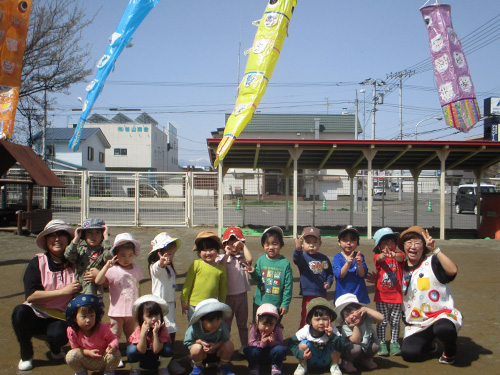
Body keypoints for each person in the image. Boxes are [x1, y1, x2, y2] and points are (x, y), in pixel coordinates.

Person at [12, 219, 81, 371]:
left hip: (60, 316)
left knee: (59, 336)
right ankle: (26, 354)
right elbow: (31, 296)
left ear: (69, 240)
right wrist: (64, 291)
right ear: (46, 240)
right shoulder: (38, 261)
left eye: (61, 235)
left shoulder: (77, 263)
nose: (56, 239)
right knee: (19, 312)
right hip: (37, 313)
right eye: (52, 236)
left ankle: (55, 347)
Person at [398, 226, 462, 365]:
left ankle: (449, 352)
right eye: (408, 243)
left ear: (424, 246)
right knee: (410, 354)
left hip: (440, 315)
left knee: (444, 329)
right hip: (417, 322)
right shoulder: (399, 268)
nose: (412, 246)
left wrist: (436, 250)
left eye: (417, 242)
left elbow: (452, 271)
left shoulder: (432, 261)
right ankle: (430, 344)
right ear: (403, 246)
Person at [95, 233, 144, 345]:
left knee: (131, 334)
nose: (126, 259)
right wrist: (106, 266)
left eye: (130, 255)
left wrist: (139, 306)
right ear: (116, 255)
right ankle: (114, 357)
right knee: (114, 334)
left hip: (131, 311)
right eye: (122, 255)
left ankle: (132, 354)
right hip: (116, 311)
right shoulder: (113, 270)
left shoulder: (136, 268)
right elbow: (98, 281)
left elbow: (138, 287)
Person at [148, 232, 185, 374]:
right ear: (159, 253)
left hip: (170, 303)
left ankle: (169, 358)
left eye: (172, 254)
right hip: (159, 305)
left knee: (171, 331)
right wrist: (161, 262)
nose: (170, 257)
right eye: (167, 253)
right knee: (161, 330)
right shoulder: (155, 266)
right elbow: (157, 268)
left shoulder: (170, 267)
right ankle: (162, 360)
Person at [217, 227, 253, 354]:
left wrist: (243, 246)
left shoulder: (242, 257)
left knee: (242, 324)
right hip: (227, 297)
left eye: (236, 243)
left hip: (241, 296)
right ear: (224, 245)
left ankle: (244, 346)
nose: (234, 247)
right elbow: (220, 268)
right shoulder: (222, 258)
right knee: (226, 324)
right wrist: (226, 253)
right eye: (230, 244)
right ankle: (225, 345)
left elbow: (250, 259)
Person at [65, 294, 121, 375]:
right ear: (74, 318)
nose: (88, 320)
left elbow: (113, 338)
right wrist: (87, 352)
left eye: (91, 316)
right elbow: (75, 348)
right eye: (84, 316)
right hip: (86, 358)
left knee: (116, 353)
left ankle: (109, 372)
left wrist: (113, 346)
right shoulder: (72, 331)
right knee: (71, 355)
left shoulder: (102, 328)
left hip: (103, 358)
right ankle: (81, 372)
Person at [246, 226, 293, 319]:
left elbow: (288, 286)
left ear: (281, 245)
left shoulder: (285, 263)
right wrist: (253, 272)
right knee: (257, 328)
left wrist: (285, 304)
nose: (271, 247)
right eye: (267, 244)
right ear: (263, 245)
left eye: (275, 244)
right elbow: (257, 279)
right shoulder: (261, 260)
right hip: (259, 302)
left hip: (277, 305)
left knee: (273, 329)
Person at [372, 227, 405, 356]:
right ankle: (381, 342)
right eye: (385, 243)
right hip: (381, 296)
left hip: (396, 296)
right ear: (379, 246)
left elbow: (401, 258)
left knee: (395, 321)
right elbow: (378, 259)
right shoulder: (378, 257)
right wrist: (383, 255)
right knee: (382, 321)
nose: (389, 246)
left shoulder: (399, 256)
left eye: (391, 242)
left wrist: (394, 255)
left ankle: (394, 342)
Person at [289, 297, 344, 375]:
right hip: (310, 358)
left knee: (336, 342)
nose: (321, 322)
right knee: (303, 344)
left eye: (325, 319)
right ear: (309, 320)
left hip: (327, 359)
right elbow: (291, 343)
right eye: (317, 319)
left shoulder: (333, 329)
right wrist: (300, 354)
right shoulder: (306, 330)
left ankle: (334, 365)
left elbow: (341, 346)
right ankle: (302, 365)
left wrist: (332, 336)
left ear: (330, 319)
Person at [181, 231, 227, 321]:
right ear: (199, 252)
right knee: (193, 330)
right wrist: (183, 300)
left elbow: (223, 290)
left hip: (211, 306)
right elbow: (188, 284)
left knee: (209, 330)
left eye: (211, 249)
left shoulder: (221, 269)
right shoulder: (196, 264)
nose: (208, 253)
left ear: (217, 250)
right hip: (194, 305)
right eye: (204, 250)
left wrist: (221, 306)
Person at [293, 226, 334, 328]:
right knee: (307, 316)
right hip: (308, 293)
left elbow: (329, 273)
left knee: (321, 316)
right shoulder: (303, 257)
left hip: (321, 293)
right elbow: (296, 259)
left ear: (320, 243)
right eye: (308, 242)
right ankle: (304, 337)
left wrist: (328, 282)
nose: (311, 245)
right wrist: (298, 248)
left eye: (315, 242)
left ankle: (320, 335)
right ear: (303, 244)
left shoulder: (324, 258)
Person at [183, 298, 236, 375]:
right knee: (196, 348)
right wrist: (200, 342)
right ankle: (198, 367)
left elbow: (225, 340)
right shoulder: (194, 328)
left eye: (218, 319)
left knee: (229, 345)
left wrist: (216, 345)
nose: (215, 324)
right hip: (202, 356)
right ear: (200, 320)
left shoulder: (222, 326)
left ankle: (223, 367)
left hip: (217, 354)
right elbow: (188, 342)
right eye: (211, 321)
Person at [334, 293, 383, 373]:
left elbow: (381, 318)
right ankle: (347, 362)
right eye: (346, 315)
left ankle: (365, 359)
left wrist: (367, 310)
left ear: (360, 310)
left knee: (375, 346)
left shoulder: (366, 317)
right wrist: (354, 327)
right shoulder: (346, 326)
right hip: (351, 349)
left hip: (365, 347)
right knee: (356, 349)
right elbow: (355, 340)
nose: (351, 316)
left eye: (352, 312)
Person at [127, 295, 173, 375]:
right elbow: (141, 350)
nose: (154, 319)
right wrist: (143, 334)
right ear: (142, 318)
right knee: (131, 349)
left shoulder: (162, 329)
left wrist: (155, 333)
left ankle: (163, 368)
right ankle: (135, 369)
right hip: (142, 359)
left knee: (168, 348)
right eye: (149, 316)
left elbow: (156, 350)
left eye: (156, 315)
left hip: (156, 359)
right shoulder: (139, 329)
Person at [65, 218, 112, 295]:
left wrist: (106, 238)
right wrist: (76, 238)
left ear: (102, 235)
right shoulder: (80, 250)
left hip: (96, 293)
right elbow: (68, 255)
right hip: (79, 291)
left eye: (97, 232)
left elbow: (109, 257)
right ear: (84, 235)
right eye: (89, 232)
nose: (93, 236)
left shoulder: (103, 251)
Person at [244, 303, 288, 375]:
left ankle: (276, 366)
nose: (267, 328)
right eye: (264, 324)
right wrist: (262, 343)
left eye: (271, 324)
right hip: (259, 354)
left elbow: (280, 343)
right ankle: (254, 366)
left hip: (271, 354)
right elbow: (251, 343)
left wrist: (273, 342)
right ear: (257, 321)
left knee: (281, 349)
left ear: (275, 323)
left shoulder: (277, 328)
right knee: (248, 350)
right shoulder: (254, 328)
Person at [332, 226, 369, 304]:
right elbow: (340, 274)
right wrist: (348, 263)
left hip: (358, 295)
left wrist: (359, 264)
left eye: (352, 240)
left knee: (359, 315)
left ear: (357, 243)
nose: (348, 243)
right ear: (339, 242)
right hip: (342, 295)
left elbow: (362, 274)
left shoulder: (360, 256)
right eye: (345, 240)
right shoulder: (337, 257)